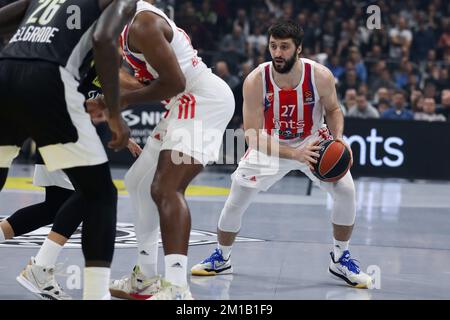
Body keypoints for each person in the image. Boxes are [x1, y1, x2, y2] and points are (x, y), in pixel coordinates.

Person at [191, 20, 373, 289]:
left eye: (284, 47)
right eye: (273, 46)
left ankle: (340, 257)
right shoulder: (255, 80)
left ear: (298, 49)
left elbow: (334, 110)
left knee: (345, 189)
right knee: (236, 197)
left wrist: (338, 139)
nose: (277, 52)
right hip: (271, 143)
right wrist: (293, 153)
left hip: (313, 140)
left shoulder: (319, 75)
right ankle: (222, 256)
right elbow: (251, 134)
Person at [88, 0, 235, 300]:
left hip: (202, 101)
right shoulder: (115, 22)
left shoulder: (143, 24)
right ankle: (144, 277)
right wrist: (109, 90)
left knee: (165, 188)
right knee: (137, 184)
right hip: (181, 104)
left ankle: (178, 288)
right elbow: (133, 79)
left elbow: (174, 82)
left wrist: (119, 103)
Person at [0, 0, 137, 299]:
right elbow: (103, 40)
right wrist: (115, 113)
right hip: (50, 79)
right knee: (100, 194)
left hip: (7, 69)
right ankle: (95, 295)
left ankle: (42, 267)